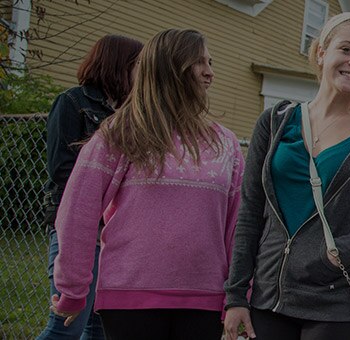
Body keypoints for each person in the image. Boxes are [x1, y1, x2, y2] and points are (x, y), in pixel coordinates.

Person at [223, 12, 350, 340]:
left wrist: (347, 248)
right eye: (346, 50)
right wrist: (236, 295)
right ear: (322, 52)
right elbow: (250, 212)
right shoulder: (275, 122)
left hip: (336, 299)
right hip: (270, 297)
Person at [50, 28, 244, 339]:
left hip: (206, 300)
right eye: (200, 63)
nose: (210, 73)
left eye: (211, 62)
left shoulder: (225, 142)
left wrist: (238, 295)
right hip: (130, 300)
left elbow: (238, 224)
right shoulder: (120, 133)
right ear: (169, 69)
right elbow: (77, 211)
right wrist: (73, 288)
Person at [38, 34, 143, 340]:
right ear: (118, 66)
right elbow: (62, 169)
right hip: (78, 229)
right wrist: (95, 211)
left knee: (99, 330)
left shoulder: (131, 115)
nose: (142, 74)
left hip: (114, 233)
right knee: (66, 328)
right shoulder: (71, 103)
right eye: (137, 66)